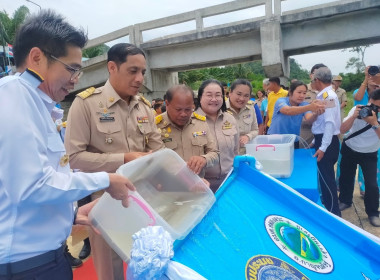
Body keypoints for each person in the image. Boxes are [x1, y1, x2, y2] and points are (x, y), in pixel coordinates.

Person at [0, 10, 135, 280]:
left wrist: (73, 211)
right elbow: (31, 187)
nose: (76, 78)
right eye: (71, 68)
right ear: (37, 57)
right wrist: (105, 180)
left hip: (45, 259)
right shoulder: (13, 97)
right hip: (27, 266)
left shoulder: (38, 104)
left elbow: (45, 177)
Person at [65, 43, 164, 280]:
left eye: (143, 72)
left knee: (149, 263)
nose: (140, 78)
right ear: (112, 67)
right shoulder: (86, 104)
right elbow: (74, 158)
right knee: (111, 270)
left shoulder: (145, 107)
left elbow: (157, 149)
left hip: (144, 200)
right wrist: (123, 158)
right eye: (133, 71)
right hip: (104, 204)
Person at [155, 84, 219, 178]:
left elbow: (215, 153)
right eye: (178, 109)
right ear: (167, 104)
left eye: (188, 109)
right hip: (167, 188)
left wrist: (204, 159)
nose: (183, 114)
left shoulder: (200, 123)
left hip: (197, 186)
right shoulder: (155, 126)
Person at [338, 89, 380, 227]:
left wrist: (375, 123)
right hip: (350, 148)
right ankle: (345, 200)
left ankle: (373, 213)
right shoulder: (358, 110)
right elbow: (342, 130)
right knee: (346, 176)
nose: (373, 110)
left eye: (377, 108)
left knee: (372, 184)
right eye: (372, 106)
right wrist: (353, 117)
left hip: (369, 153)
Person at [195, 79, 239, 192]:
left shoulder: (230, 119)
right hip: (201, 186)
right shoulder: (190, 121)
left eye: (218, 95)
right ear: (200, 97)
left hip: (229, 182)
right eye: (209, 95)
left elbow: (235, 151)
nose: (214, 99)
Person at [311, 66, 341, 216]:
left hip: (327, 142)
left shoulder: (328, 96)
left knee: (327, 182)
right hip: (324, 139)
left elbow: (329, 124)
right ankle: (331, 210)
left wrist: (322, 147)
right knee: (325, 180)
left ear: (317, 80)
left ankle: (333, 214)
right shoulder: (325, 95)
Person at [267, 81, 325, 148]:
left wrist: (316, 114)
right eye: (299, 92)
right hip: (276, 139)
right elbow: (287, 110)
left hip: (293, 141)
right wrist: (309, 107)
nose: (302, 96)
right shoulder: (281, 101)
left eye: (304, 93)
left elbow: (309, 120)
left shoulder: (304, 104)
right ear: (291, 92)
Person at [226, 79, 259, 154]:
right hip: (227, 155)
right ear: (230, 92)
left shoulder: (251, 108)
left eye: (246, 95)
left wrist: (248, 136)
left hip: (246, 153)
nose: (241, 99)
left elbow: (255, 130)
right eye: (239, 94)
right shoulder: (221, 109)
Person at [300, 63, 326, 145]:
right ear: (311, 76)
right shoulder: (302, 89)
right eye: (317, 74)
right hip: (306, 131)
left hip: (323, 131)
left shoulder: (329, 92)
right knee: (304, 154)